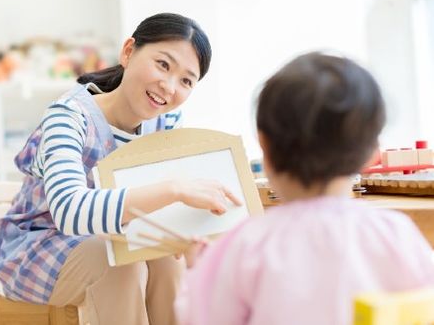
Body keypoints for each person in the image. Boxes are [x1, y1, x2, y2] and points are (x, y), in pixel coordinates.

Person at [0, 12, 240, 325]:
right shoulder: (68, 118)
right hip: (39, 247)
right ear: (128, 51)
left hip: (115, 236)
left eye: (186, 80)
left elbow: (160, 213)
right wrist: (175, 189)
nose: (169, 86)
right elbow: (68, 211)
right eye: (163, 64)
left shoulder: (167, 121)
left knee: (166, 259)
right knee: (120, 263)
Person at [174, 52, 434, 325]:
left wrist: (200, 271)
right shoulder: (395, 234)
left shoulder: (244, 246)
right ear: (372, 154)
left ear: (265, 148)